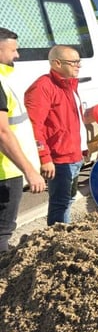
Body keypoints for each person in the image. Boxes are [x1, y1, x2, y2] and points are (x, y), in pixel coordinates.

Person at [24, 45, 87, 226]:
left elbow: (72, 120)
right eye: (73, 62)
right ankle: (57, 237)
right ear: (57, 63)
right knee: (60, 203)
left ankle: (62, 233)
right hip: (60, 159)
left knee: (69, 199)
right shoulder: (43, 87)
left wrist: (83, 148)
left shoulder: (69, 85)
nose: (78, 65)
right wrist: (44, 157)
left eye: (79, 61)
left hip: (74, 156)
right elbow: (35, 126)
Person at [0, 28, 46, 251]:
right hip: (6, 172)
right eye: (13, 50)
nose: (17, 55)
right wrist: (30, 171)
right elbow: (2, 132)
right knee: (2, 232)